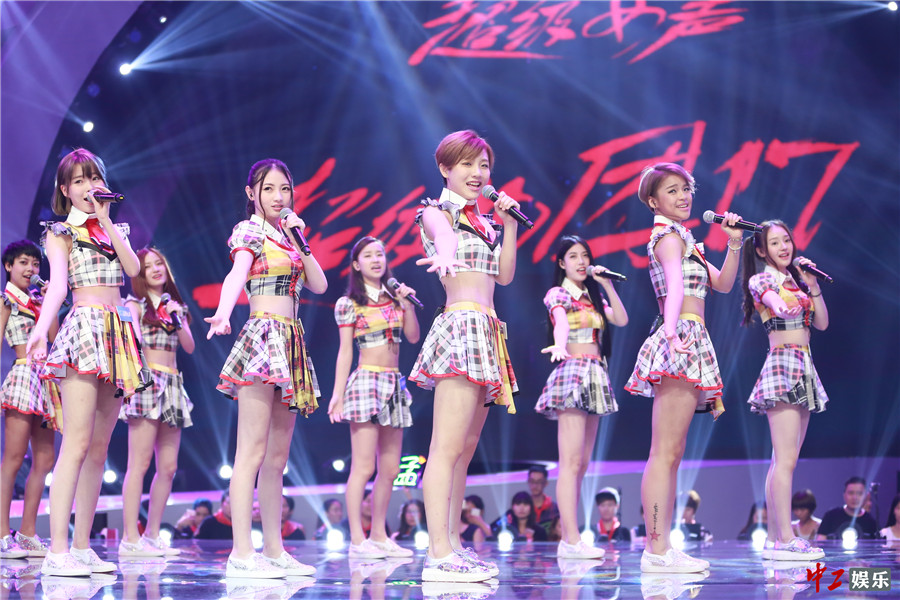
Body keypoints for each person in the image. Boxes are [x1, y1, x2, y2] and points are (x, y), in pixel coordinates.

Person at [26, 148, 148, 577]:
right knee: (76, 444)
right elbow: (58, 287)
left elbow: (133, 268)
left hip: (117, 333)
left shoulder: (115, 228)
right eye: (78, 180)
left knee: (99, 449)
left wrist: (107, 220)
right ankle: (57, 549)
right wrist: (41, 329)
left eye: (93, 177)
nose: (87, 186)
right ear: (65, 189)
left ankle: (81, 546)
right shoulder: (60, 233)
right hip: (84, 330)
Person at [409, 130, 521, 583]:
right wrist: (445, 256)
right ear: (445, 169)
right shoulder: (436, 212)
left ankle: (452, 545)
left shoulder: (486, 221)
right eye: (468, 164)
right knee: (446, 447)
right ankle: (437, 554)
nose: (478, 173)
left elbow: (505, 276)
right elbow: (444, 239)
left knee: (465, 450)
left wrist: (509, 226)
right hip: (460, 326)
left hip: (487, 329)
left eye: (484, 165)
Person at [206, 158, 326, 578]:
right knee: (251, 453)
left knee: (277, 459)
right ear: (251, 192)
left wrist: (300, 238)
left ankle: (274, 551)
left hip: (291, 342)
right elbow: (236, 273)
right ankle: (242, 552)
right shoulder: (249, 230)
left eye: (285, 189)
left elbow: (320, 284)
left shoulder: (290, 237)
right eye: (269, 188)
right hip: (263, 336)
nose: (278, 197)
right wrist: (224, 312)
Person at [624, 162, 745, 573]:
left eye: (686, 188)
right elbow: (675, 285)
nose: (683, 196)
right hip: (681, 335)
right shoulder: (668, 237)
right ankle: (656, 550)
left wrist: (734, 243)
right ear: (653, 201)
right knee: (664, 452)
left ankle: (662, 547)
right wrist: (673, 332)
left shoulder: (685, 238)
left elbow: (722, 284)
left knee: (673, 453)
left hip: (689, 333)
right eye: (672, 190)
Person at [740, 219, 829, 561]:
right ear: (762, 250)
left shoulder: (797, 281)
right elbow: (772, 300)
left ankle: (774, 539)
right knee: (786, 461)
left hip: (804, 365)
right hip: (782, 365)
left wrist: (812, 285)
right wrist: (779, 305)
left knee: (782, 461)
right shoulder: (762, 279)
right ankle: (785, 540)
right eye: (775, 243)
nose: (783, 247)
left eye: (786, 240)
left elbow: (822, 323)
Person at [536, 235, 628, 558]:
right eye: (573, 256)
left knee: (583, 463)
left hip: (595, 373)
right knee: (571, 462)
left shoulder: (592, 297)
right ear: (562, 263)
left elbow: (621, 319)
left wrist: (606, 285)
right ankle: (569, 539)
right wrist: (560, 345)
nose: (581, 261)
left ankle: (572, 537)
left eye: (585, 255)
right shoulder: (558, 293)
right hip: (573, 371)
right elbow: (560, 321)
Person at [328, 235, 420, 559]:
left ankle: (379, 535)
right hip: (366, 381)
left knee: (391, 469)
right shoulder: (349, 303)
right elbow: (344, 352)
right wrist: (337, 395)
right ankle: (357, 539)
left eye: (380, 254)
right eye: (368, 255)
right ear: (356, 264)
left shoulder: (395, 298)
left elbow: (412, 336)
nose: (376, 260)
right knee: (364, 466)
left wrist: (407, 303)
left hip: (394, 383)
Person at [118, 247, 195, 558]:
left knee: (169, 467)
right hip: (149, 381)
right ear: (140, 273)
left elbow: (189, 347)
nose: (155, 269)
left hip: (173, 384)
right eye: (148, 266)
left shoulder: (177, 308)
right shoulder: (134, 304)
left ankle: (151, 535)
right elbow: (133, 340)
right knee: (139, 464)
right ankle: (130, 537)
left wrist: (177, 317)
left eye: (158, 263)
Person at [0, 240, 61, 559]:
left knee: (45, 460)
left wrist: (52, 301)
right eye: (24, 263)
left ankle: (27, 532)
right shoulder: (5, 299)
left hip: (46, 379)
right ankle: (1, 534)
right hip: (23, 375)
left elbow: (54, 339)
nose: (31, 269)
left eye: (35, 264)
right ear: (9, 266)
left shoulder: (41, 300)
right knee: (13, 458)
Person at [524, 466, 559, 534]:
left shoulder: (555, 509)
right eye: (532, 481)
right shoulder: (521, 509)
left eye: (539, 481)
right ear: (528, 482)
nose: (535, 485)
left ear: (546, 483)